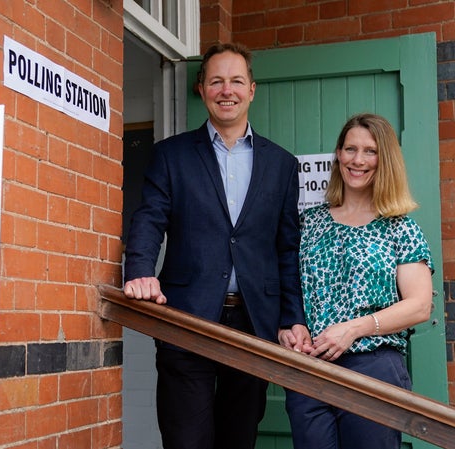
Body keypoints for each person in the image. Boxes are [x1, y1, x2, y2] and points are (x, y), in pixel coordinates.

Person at [122, 42, 311, 449]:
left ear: (252, 90)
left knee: (238, 439)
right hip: (187, 321)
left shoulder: (281, 164)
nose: (228, 90)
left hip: (254, 325)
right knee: (186, 439)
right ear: (202, 88)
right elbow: (150, 218)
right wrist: (139, 270)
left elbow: (286, 247)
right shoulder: (170, 156)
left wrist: (291, 316)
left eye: (237, 81)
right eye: (217, 81)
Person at [284, 113, 433, 449]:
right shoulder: (308, 223)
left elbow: (420, 305)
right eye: (350, 149)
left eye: (370, 151)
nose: (358, 160)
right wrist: (290, 325)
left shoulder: (400, 227)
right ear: (338, 154)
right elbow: (287, 285)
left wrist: (353, 328)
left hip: (374, 367)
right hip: (310, 367)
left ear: (386, 160)